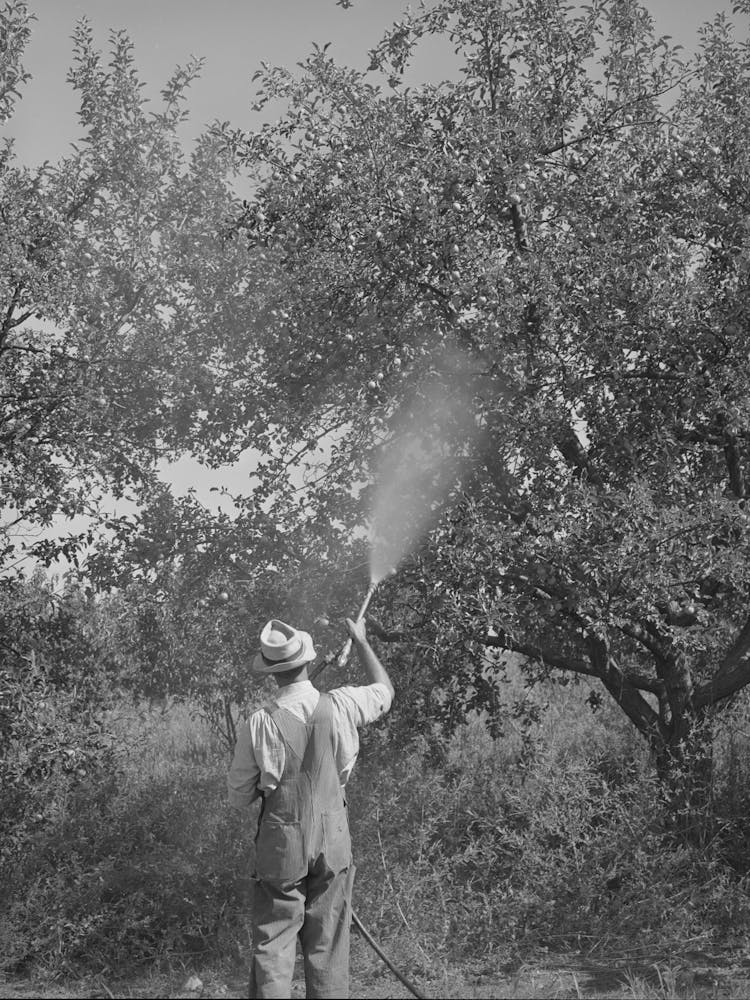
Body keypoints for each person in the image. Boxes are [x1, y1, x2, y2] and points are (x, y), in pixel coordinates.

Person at [228, 615, 394, 1000]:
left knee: (273, 946)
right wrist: (363, 642)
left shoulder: (257, 723)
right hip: (333, 837)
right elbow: (384, 691)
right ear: (307, 660)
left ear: (271, 671)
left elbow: (239, 797)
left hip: (281, 841)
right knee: (329, 945)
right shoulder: (342, 704)